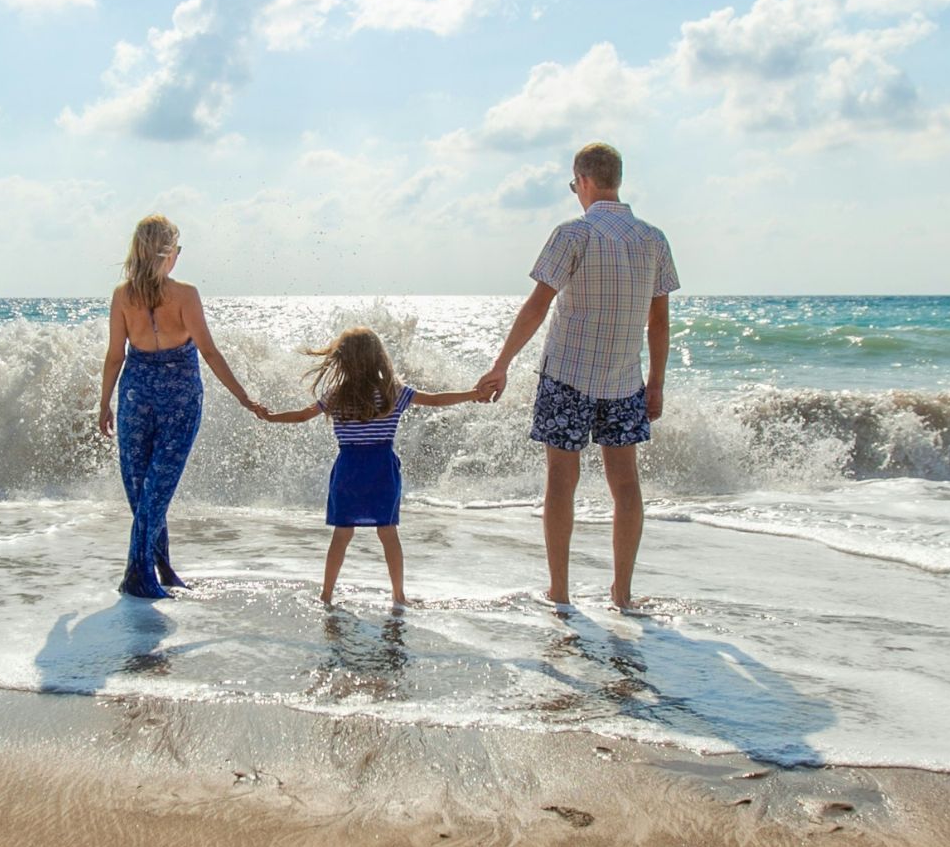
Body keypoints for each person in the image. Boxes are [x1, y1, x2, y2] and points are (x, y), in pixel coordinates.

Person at [476, 142, 678, 611]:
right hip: (626, 380)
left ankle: (560, 591)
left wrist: (501, 363)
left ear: (583, 180)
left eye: (574, 185)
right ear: (617, 180)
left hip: (567, 375)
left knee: (561, 481)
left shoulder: (573, 235)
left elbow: (536, 306)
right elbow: (660, 323)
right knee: (625, 484)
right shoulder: (653, 239)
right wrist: (657, 383)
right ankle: (621, 593)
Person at [99, 214, 266, 598]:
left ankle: (156, 568)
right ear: (169, 252)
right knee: (154, 489)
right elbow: (208, 351)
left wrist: (104, 402)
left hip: (135, 395)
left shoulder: (123, 295)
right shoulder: (185, 294)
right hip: (179, 396)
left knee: (145, 489)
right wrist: (242, 396)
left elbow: (114, 356)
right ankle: (141, 572)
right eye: (177, 248)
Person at [259, 326, 479, 606]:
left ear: (343, 360)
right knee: (388, 533)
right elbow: (436, 400)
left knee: (342, 534)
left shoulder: (336, 394)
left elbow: (302, 416)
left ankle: (326, 595)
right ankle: (399, 596)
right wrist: (473, 394)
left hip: (349, 469)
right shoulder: (392, 392)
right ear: (378, 357)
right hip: (381, 469)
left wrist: (271, 417)